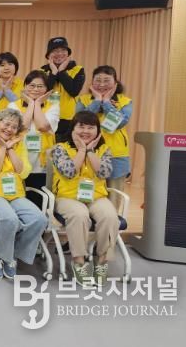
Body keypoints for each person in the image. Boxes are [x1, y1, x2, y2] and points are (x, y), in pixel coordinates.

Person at [0, 109, 48, 280]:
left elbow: (24, 173)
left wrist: (10, 149)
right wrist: (3, 148)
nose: (9, 129)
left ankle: (9, 254)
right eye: (6, 124)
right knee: (9, 218)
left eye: (14, 127)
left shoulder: (19, 145)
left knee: (39, 219)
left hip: (15, 196)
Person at [51, 111, 118, 288]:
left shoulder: (104, 149)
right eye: (81, 127)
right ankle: (79, 262)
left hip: (96, 196)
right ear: (73, 128)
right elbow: (69, 171)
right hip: (68, 197)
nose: (86, 131)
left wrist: (90, 151)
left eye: (91, 127)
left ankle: (102, 261)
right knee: (79, 214)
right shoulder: (60, 148)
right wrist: (81, 150)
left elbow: (104, 172)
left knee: (110, 216)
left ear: (98, 130)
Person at [76, 65, 132, 209]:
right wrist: (96, 101)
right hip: (88, 152)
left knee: (114, 196)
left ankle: (111, 222)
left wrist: (106, 103)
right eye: (98, 80)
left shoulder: (125, 101)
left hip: (116, 154)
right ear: (92, 82)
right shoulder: (83, 100)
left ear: (115, 82)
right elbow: (80, 121)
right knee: (87, 193)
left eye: (106, 80)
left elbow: (120, 123)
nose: (101, 84)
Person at [8, 70, 59, 203]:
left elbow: (42, 126)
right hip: (18, 160)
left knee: (38, 201)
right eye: (32, 85)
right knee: (17, 199)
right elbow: (22, 127)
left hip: (41, 164)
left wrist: (36, 104)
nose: (36, 89)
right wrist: (32, 103)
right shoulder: (13, 106)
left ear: (47, 89)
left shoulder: (53, 107)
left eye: (40, 86)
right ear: (25, 86)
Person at [40, 37, 85, 138]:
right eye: (55, 51)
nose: (59, 53)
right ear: (48, 55)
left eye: (63, 50)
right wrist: (53, 73)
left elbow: (74, 91)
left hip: (69, 119)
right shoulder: (42, 71)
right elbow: (43, 92)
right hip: (46, 117)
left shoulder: (78, 70)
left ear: (68, 54)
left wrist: (61, 72)